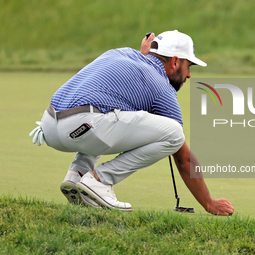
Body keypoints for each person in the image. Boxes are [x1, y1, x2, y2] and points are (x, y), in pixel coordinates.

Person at [29, 30, 234, 216]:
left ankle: (77, 176)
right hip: (83, 124)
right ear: (174, 62)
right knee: (174, 133)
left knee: (111, 110)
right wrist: (209, 203)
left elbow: (131, 79)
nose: (189, 74)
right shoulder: (162, 88)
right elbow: (183, 158)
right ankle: (99, 181)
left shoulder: (121, 53)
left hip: (49, 126)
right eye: (188, 66)